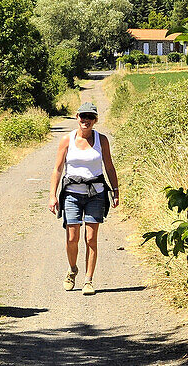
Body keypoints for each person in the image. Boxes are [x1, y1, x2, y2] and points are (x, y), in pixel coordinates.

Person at [47, 101, 120, 295]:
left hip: (96, 193)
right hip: (72, 193)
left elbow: (109, 167)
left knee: (91, 238)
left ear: (95, 120)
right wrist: (52, 195)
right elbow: (57, 169)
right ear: (77, 118)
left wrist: (115, 190)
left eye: (90, 117)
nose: (85, 120)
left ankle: (88, 280)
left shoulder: (102, 140)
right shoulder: (66, 140)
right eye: (82, 116)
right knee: (72, 237)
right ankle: (72, 270)